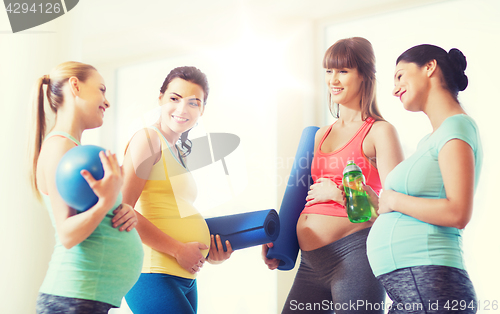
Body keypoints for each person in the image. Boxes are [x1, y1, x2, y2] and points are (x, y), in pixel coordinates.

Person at [262, 37, 404, 313]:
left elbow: (397, 210)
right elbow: (301, 199)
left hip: (355, 256)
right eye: (329, 71)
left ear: (364, 75)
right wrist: (279, 240)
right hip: (310, 262)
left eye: (343, 71)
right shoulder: (318, 136)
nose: (333, 80)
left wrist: (340, 195)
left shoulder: (379, 132)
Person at [366, 44, 482, 313]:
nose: (394, 89)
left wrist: (393, 199)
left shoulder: (456, 126)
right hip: (414, 286)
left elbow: (457, 212)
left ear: (429, 67)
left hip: (429, 284)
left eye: (400, 76)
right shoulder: (429, 140)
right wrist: (380, 204)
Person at [29, 61, 143, 314]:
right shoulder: (60, 147)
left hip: (85, 299)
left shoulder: (71, 148)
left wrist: (121, 209)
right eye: (101, 90)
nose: (107, 101)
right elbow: (68, 234)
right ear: (75, 86)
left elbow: (93, 216)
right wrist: (106, 202)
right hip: (73, 298)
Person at [122, 66, 232, 314]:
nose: (183, 109)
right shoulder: (148, 139)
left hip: (184, 276)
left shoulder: (179, 151)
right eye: (174, 98)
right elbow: (121, 210)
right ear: (160, 98)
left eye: (194, 103)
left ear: (202, 109)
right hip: (153, 273)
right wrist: (178, 249)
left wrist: (207, 253)